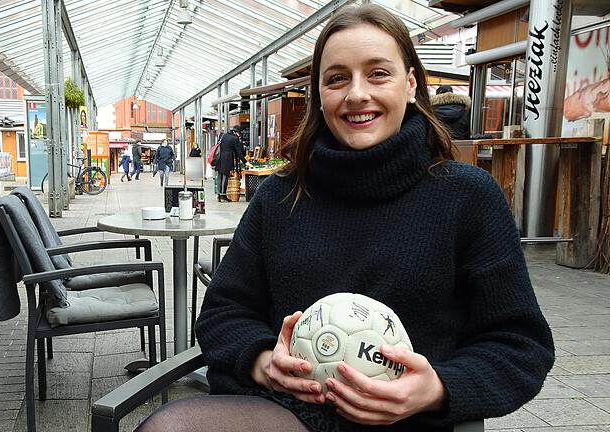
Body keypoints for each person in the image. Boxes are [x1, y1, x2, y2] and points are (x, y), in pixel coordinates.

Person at [137, 4, 553, 432]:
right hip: (288, 414)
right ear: (320, 94)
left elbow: (520, 345)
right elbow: (223, 314)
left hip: (409, 423)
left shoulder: (467, 197)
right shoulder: (279, 196)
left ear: (410, 84)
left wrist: (436, 388)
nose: (356, 94)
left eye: (378, 73)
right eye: (337, 78)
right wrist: (264, 362)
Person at [216, 127, 246, 202]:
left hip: (220, 158)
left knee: (220, 176)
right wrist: (246, 162)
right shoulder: (234, 139)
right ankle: (223, 195)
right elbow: (238, 153)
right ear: (237, 132)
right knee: (225, 176)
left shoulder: (223, 135)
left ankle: (219, 195)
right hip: (227, 159)